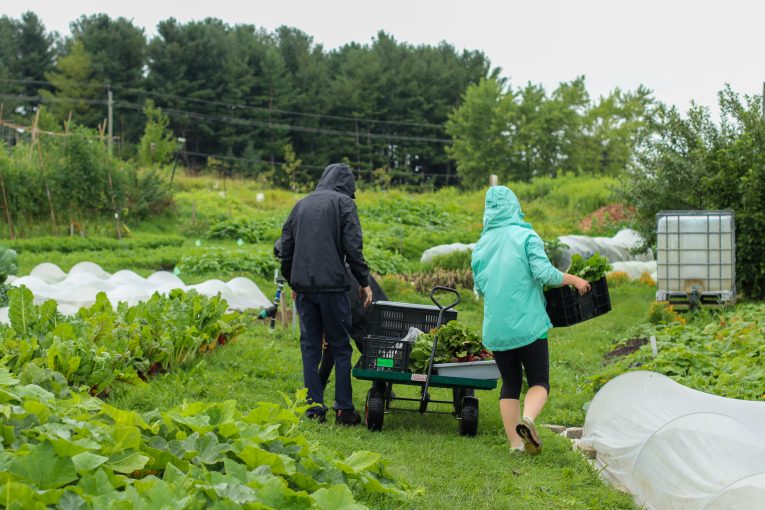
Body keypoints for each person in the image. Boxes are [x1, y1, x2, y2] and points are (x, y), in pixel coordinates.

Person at [471, 186, 590, 455]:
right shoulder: (526, 236)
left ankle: (516, 446)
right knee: (539, 381)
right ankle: (529, 420)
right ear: (515, 206)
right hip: (528, 325)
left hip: (496, 329)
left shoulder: (480, 246)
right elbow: (545, 274)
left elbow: (479, 285)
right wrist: (574, 280)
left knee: (510, 384)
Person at [279, 163, 373, 425]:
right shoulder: (344, 204)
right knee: (340, 347)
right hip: (333, 288)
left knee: (310, 349)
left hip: (305, 289)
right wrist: (363, 282)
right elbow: (353, 247)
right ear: (348, 186)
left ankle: (313, 410)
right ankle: (344, 410)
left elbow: (286, 247)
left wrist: (292, 282)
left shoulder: (301, 205)